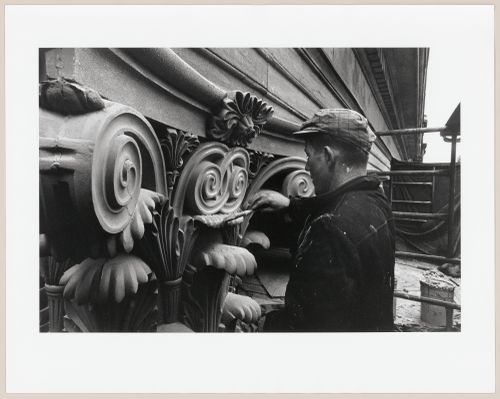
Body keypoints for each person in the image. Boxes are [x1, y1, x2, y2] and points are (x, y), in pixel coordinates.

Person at [247, 108, 395, 332]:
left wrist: (261, 325)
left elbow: (304, 328)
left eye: (308, 155)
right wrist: (290, 204)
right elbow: (336, 205)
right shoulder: (377, 201)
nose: (306, 166)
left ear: (327, 155)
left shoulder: (329, 230)